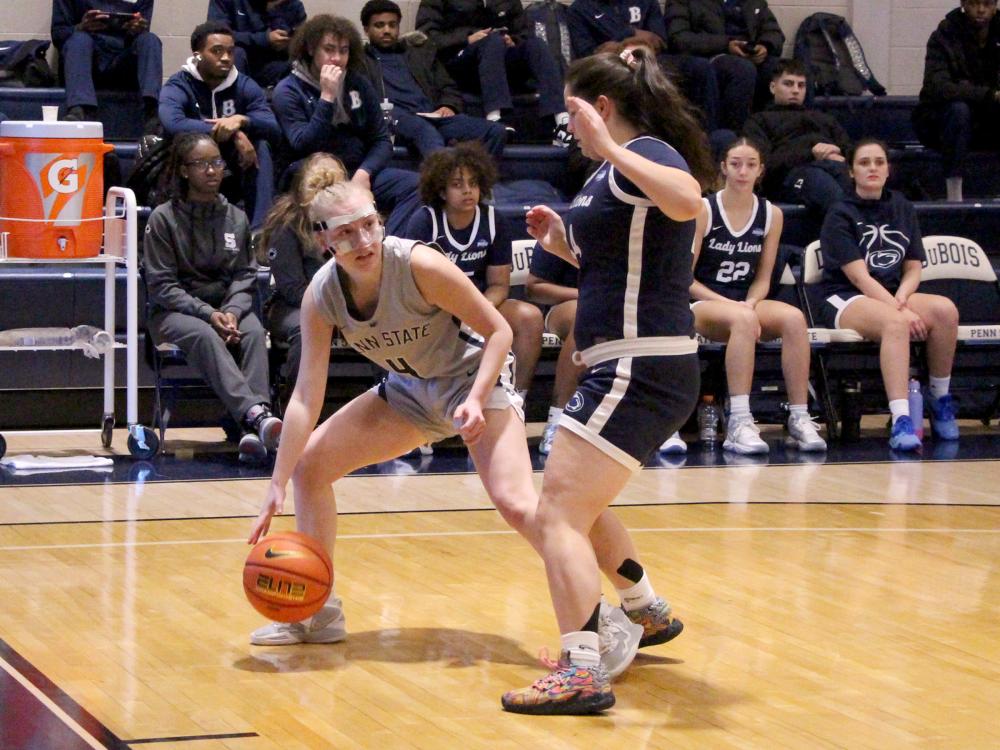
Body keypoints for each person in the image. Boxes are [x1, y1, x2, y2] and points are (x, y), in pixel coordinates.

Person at [246, 181, 683, 682]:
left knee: (521, 505)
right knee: (310, 467)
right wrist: (276, 482)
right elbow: (305, 397)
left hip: (477, 381)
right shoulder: (322, 295)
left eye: (369, 225)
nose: (363, 241)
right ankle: (314, 609)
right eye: (346, 234)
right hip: (410, 391)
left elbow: (499, 329)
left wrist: (476, 398)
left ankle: (605, 622)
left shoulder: (417, 264)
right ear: (324, 240)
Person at [501, 47, 714, 714]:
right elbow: (621, 258)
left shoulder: (646, 153)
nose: (569, 126)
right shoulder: (609, 175)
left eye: (574, 110)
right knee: (578, 501)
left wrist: (612, 150)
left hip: (638, 364)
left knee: (557, 511)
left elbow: (689, 202)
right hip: (632, 362)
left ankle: (581, 668)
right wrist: (565, 241)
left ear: (603, 108)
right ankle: (645, 609)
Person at [664, 137, 826, 455]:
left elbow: (763, 278)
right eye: (736, 163)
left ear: (760, 170)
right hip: (702, 303)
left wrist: (751, 302)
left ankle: (800, 415)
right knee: (742, 318)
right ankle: (739, 420)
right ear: (723, 167)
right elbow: (685, 278)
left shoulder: (771, 214)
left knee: (793, 318)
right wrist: (732, 306)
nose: (743, 171)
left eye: (750, 164)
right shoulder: (703, 209)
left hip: (744, 302)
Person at [143, 133, 282, 462]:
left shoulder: (236, 217)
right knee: (205, 334)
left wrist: (232, 311)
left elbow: (245, 275)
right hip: (173, 313)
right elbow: (162, 286)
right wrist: (208, 314)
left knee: (251, 331)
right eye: (202, 164)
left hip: (226, 308)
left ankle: (251, 430)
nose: (211, 170)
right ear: (183, 171)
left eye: (217, 163)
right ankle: (256, 416)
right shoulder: (163, 219)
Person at [817, 139, 961, 451]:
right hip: (846, 296)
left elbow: (913, 268)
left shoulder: (902, 207)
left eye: (879, 162)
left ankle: (939, 398)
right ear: (851, 171)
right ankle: (901, 419)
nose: (872, 168)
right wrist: (900, 310)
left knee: (945, 311)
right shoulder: (840, 213)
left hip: (893, 294)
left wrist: (903, 301)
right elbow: (859, 277)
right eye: (864, 162)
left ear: (888, 169)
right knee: (895, 324)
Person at [404, 142, 543, 403]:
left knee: (529, 317)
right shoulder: (425, 222)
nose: (468, 190)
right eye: (458, 184)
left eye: (473, 183)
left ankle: (517, 397)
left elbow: (499, 284)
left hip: (479, 302)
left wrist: (478, 308)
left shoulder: (493, 221)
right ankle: (424, 401)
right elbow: (413, 287)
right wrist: (456, 310)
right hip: (435, 308)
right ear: (442, 191)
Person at [272, 14, 421, 235]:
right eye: (329, 50)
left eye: (343, 50)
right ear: (311, 49)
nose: (337, 58)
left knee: (417, 186)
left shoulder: (357, 82)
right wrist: (327, 97)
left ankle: (385, 247)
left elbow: (381, 139)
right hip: (313, 175)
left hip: (356, 168)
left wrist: (364, 173)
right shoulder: (288, 90)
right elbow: (303, 144)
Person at [159, 21, 281, 231]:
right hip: (190, 161)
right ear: (198, 54)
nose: (225, 58)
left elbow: (273, 127)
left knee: (260, 147)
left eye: (230, 52)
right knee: (192, 149)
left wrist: (242, 120)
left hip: (232, 162)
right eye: (217, 51)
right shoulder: (179, 84)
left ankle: (260, 232)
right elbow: (173, 123)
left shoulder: (244, 84)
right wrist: (234, 134)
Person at [360, 0, 507, 160]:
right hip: (395, 119)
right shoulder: (360, 62)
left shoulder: (420, 54)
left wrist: (448, 106)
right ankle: (446, 183)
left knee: (496, 131)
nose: (387, 30)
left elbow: (447, 86)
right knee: (425, 131)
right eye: (379, 25)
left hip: (433, 116)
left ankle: (476, 182)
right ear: (366, 30)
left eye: (392, 25)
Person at [416, 0, 572, 145]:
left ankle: (562, 120)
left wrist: (514, 40)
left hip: (499, 59)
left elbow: (523, 32)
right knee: (491, 41)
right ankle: (495, 118)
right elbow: (426, 36)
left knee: (536, 45)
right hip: (458, 63)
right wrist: (467, 39)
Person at [260, 152, 347, 391]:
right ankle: (298, 409)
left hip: (345, 302)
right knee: (306, 327)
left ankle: (393, 404)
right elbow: (292, 288)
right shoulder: (286, 223)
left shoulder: (351, 220)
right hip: (295, 305)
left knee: (386, 321)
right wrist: (335, 308)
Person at [566, 0, 721, 132]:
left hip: (653, 59)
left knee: (701, 68)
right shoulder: (579, 10)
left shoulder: (645, 1)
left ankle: (710, 135)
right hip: (611, 68)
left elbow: (658, 40)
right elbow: (589, 56)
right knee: (631, 76)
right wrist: (630, 33)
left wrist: (617, 44)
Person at [744, 58, 853, 220]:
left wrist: (837, 151)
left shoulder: (824, 119)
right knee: (820, 181)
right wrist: (811, 153)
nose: (795, 90)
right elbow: (764, 165)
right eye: (788, 84)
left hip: (832, 167)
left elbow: (851, 150)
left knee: (858, 176)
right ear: (773, 87)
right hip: (789, 177)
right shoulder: (759, 121)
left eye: (801, 85)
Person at [913, 0, 1000, 202]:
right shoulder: (943, 35)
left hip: (986, 121)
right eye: (974, 4)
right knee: (959, 110)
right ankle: (954, 197)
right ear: (963, 4)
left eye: (987, 4)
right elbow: (938, 87)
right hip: (941, 123)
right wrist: (989, 95)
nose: (980, 10)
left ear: (995, 6)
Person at [664, 0, 784, 131]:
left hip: (749, 55)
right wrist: (726, 45)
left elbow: (773, 31)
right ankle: (734, 138)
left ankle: (790, 137)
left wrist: (766, 45)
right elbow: (678, 38)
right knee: (741, 69)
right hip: (711, 55)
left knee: (785, 70)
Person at [51, 0, 162, 132]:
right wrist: (81, 27)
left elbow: (142, 32)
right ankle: (80, 112)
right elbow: (58, 34)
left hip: (123, 62)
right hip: (86, 62)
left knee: (150, 40)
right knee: (79, 40)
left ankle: (152, 112)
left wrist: (136, 28)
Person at [525, 242, 580, 455]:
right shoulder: (567, 225)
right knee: (586, 315)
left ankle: (663, 427)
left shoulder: (641, 227)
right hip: (569, 306)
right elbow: (535, 287)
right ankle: (558, 420)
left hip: (627, 306)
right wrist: (590, 293)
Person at [207, 0, 307, 88]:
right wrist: (265, 39)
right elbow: (217, 34)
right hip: (242, 62)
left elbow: (301, 44)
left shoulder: (293, 5)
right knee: (236, 53)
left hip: (276, 66)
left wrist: (276, 8)